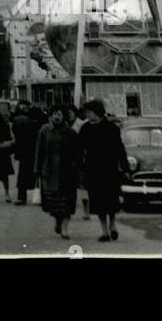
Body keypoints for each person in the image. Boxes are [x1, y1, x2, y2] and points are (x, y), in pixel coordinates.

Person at [77, 99, 127, 242]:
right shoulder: (85, 129)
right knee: (98, 201)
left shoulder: (111, 128)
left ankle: (112, 224)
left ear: (96, 112)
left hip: (109, 169)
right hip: (93, 170)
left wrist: (125, 167)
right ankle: (104, 231)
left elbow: (119, 149)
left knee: (111, 200)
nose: (87, 114)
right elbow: (80, 150)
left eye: (89, 111)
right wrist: (79, 167)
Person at [35, 104, 80, 239]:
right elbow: (39, 151)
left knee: (67, 202)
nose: (56, 116)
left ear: (64, 116)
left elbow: (77, 153)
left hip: (67, 172)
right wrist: (37, 169)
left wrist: (77, 168)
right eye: (54, 113)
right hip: (49, 172)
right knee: (53, 204)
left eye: (59, 114)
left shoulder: (71, 133)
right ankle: (58, 220)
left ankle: (65, 229)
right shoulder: (44, 130)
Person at [12, 100, 39, 205]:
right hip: (33, 149)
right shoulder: (35, 117)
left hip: (24, 150)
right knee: (37, 173)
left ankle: (22, 197)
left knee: (23, 174)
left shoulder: (17, 118)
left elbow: (16, 135)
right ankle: (40, 196)